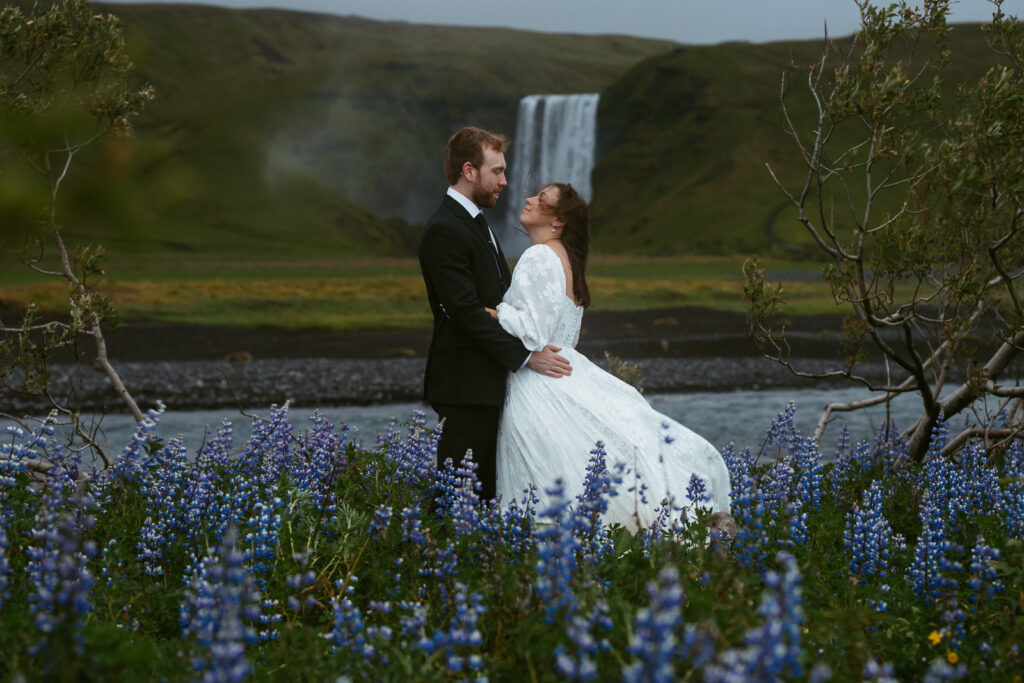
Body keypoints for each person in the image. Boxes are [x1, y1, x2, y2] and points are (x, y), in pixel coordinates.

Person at [488, 183, 731, 530]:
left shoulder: (539, 256)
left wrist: (489, 313)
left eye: (540, 200)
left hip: (539, 383)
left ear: (558, 221)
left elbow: (531, 331)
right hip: (566, 372)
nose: (527, 200)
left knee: (542, 476)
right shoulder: (566, 260)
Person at [418, 127, 572, 501]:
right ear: (469, 171)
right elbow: (465, 313)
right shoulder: (445, 228)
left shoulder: (474, 221)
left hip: (489, 381)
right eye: (497, 171)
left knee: (485, 496)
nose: (505, 181)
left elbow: (498, 300)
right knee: (457, 498)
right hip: (466, 384)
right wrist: (524, 356)